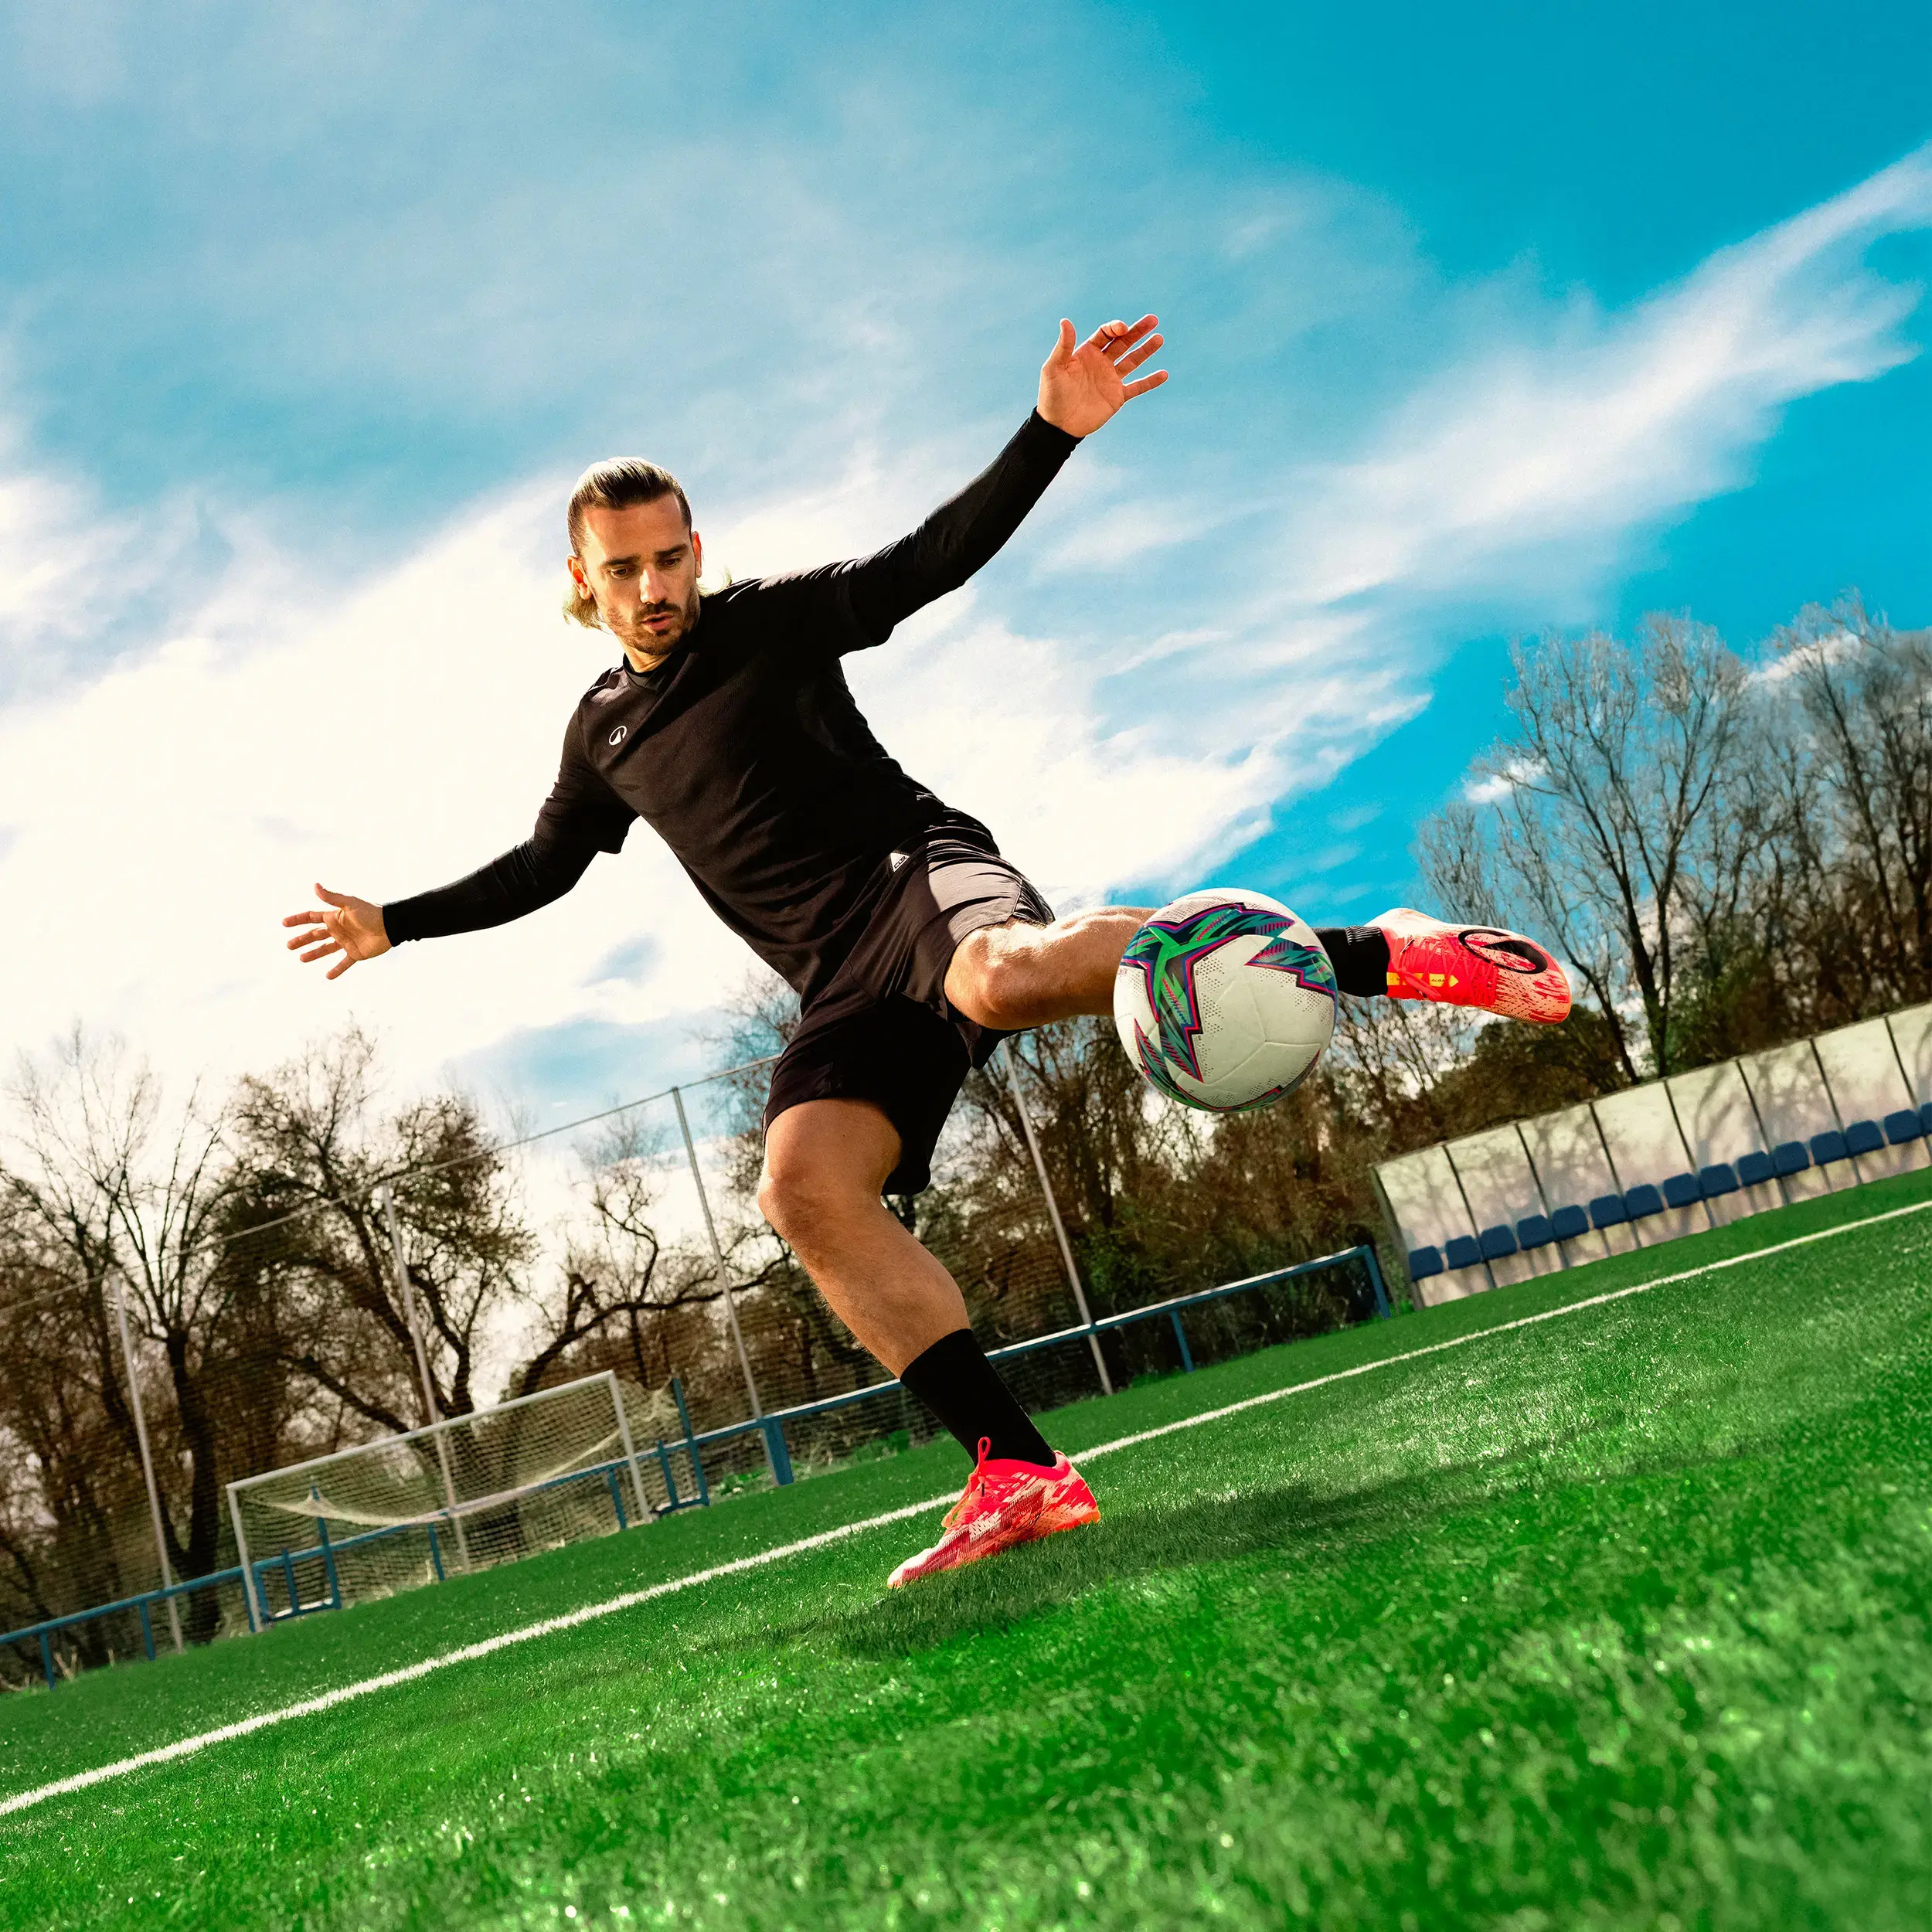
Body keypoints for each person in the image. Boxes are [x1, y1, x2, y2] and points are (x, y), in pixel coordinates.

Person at [284, 313, 1571, 1588]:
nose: (656, 587)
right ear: (582, 580)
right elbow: (546, 864)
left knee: (1005, 979)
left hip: (915, 874)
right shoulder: (601, 734)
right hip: (837, 979)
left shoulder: (770, 623)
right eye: (625, 570)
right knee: (803, 1189)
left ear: (696, 549)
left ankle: (1379, 952)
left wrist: (1049, 432)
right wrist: (396, 920)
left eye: (672, 557)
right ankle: (1017, 1468)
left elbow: (924, 561)